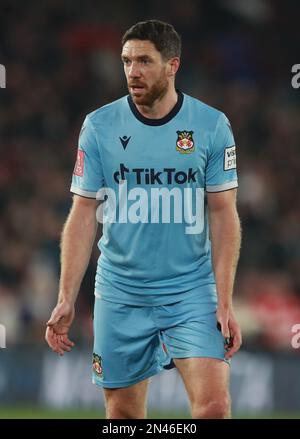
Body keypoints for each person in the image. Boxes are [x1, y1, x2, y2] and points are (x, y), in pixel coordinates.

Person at [45, 19, 242, 419]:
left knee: (215, 408)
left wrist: (223, 299)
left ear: (173, 65)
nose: (132, 72)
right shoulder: (99, 126)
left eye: (144, 61)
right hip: (121, 292)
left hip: (191, 290)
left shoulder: (211, 126)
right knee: (123, 416)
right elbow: (84, 213)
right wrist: (67, 296)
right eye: (126, 61)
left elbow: (224, 215)